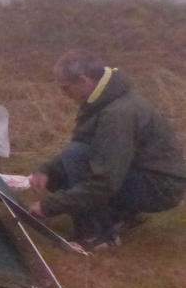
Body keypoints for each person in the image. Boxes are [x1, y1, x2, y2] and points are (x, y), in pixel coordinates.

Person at [27, 48, 186, 248]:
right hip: (141, 172)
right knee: (60, 173)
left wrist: (49, 207)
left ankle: (97, 235)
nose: (63, 94)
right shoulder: (102, 99)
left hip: (160, 187)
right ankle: (119, 216)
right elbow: (84, 141)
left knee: (75, 156)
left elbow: (105, 181)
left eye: (66, 88)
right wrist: (47, 169)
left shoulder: (118, 114)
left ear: (84, 80)